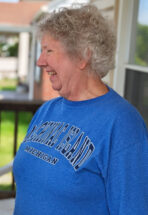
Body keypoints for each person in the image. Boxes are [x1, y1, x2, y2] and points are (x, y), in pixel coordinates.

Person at [13, 4, 148, 215]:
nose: (40, 62)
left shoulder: (122, 123)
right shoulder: (47, 110)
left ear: (83, 56)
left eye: (49, 50)